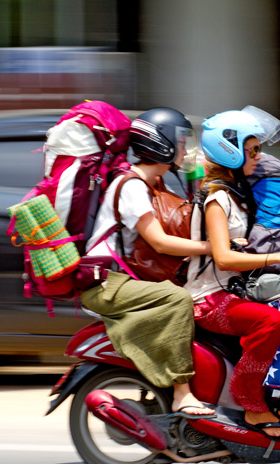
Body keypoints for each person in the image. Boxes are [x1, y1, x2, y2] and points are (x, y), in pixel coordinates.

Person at [81, 107, 216, 418]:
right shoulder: (131, 186)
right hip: (107, 282)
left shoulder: (159, 184)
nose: (185, 148)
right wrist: (212, 248)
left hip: (128, 279)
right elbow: (160, 241)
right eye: (181, 141)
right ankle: (182, 393)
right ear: (161, 144)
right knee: (177, 298)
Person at [185, 107, 280, 440]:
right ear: (231, 150)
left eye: (258, 148)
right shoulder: (217, 198)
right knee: (269, 322)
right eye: (251, 149)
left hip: (225, 291)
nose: (258, 156)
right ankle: (251, 405)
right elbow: (223, 258)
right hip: (207, 298)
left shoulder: (236, 195)